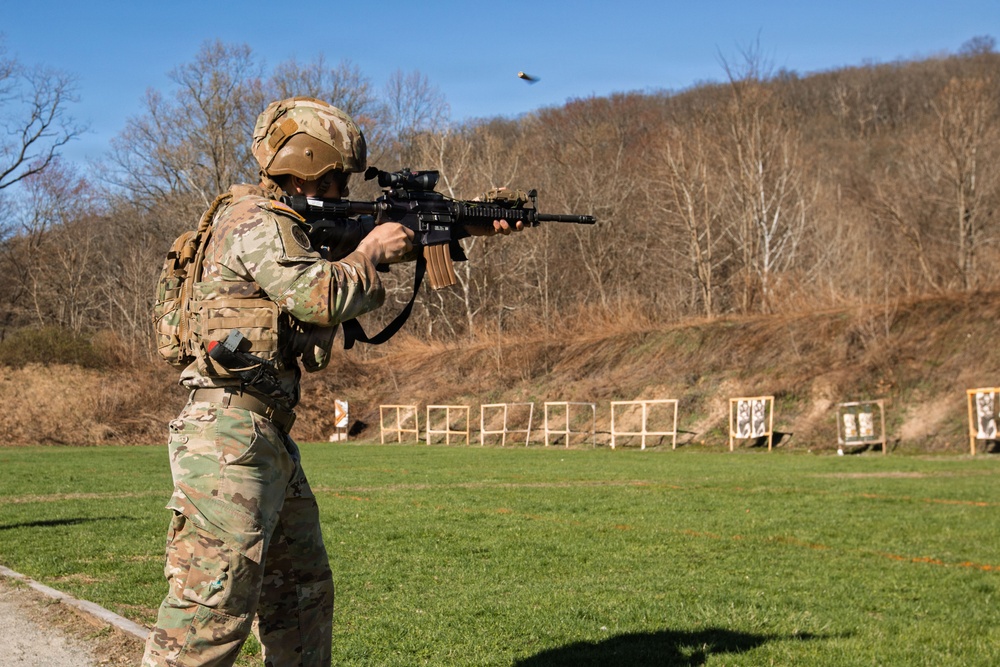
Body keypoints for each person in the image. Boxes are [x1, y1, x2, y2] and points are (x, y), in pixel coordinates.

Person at [142, 96, 520, 667]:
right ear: (309, 163)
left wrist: (458, 226)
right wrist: (371, 251)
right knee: (210, 611)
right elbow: (320, 295)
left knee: (301, 596)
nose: (344, 190)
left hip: (263, 435)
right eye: (339, 177)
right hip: (226, 438)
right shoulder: (254, 222)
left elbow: (339, 253)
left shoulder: (291, 229)